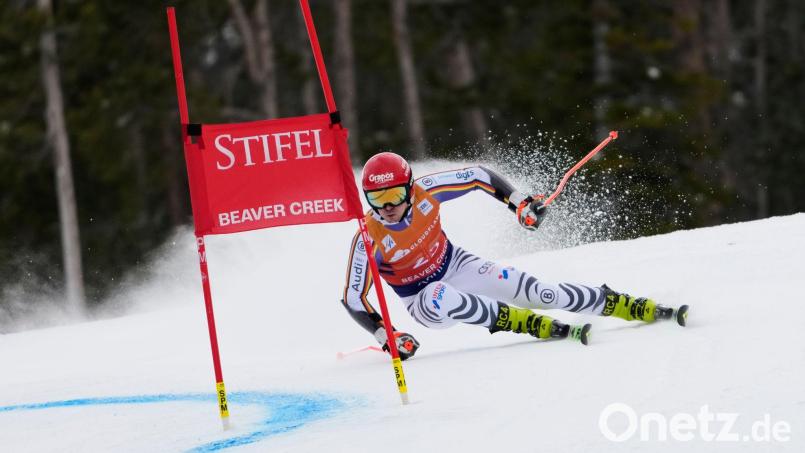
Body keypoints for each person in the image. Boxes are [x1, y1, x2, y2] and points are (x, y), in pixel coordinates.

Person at [341, 152, 687, 360]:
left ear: (410, 188)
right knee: (438, 295)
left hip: (455, 264)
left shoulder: (427, 191)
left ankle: (622, 304)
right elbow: (354, 298)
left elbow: (478, 176)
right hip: (422, 300)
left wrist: (520, 203)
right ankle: (523, 323)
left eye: (394, 195)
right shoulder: (369, 237)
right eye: (376, 199)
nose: (386, 206)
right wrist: (388, 338)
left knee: (539, 293)